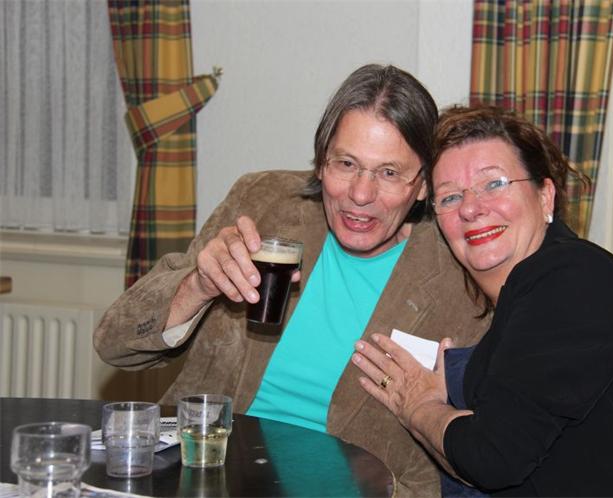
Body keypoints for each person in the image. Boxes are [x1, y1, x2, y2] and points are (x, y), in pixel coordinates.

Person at [94, 65, 491, 496]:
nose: (361, 194)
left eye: (389, 173)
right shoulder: (263, 204)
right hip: (201, 475)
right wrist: (198, 286)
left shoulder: (460, 279)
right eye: (346, 164)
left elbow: (476, 457)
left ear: (423, 186)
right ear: (321, 163)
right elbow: (114, 345)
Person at [351, 104, 613, 496]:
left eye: (494, 184)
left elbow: (491, 457)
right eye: (449, 198)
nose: (471, 208)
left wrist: (419, 406)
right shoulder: (524, 302)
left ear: (545, 196)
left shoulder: (572, 275)